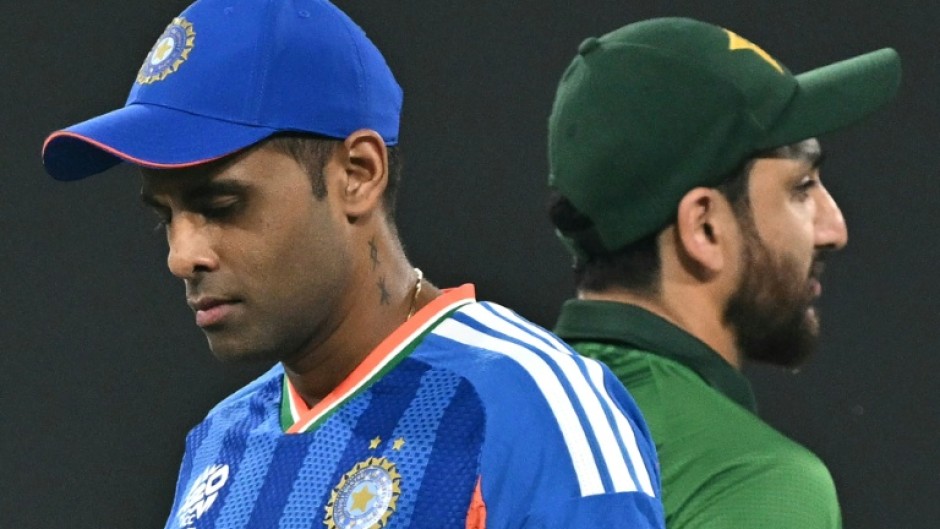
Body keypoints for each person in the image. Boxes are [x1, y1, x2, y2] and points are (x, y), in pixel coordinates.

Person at [42, 1, 666, 528]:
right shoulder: (218, 441)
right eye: (164, 217)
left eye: (222, 205)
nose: (183, 256)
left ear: (358, 175)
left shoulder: (532, 406)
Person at [545, 17, 900, 529]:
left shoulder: (467, 420)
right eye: (802, 187)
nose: (834, 227)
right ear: (705, 227)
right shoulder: (755, 481)